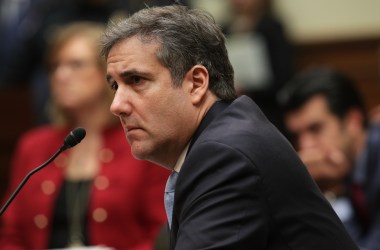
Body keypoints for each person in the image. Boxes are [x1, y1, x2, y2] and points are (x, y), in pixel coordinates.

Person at [101, 5, 358, 249]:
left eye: (136, 80)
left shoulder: (225, 155)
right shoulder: (227, 135)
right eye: (115, 86)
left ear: (197, 83)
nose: (117, 105)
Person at [0, 21, 170, 249]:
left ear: (107, 73)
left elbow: (162, 233)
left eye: (76, 64)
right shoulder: (33, 145)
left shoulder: (143, 140)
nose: (60, 75)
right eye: (54, 66)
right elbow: (10, 234)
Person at [278, 67, 380, 250]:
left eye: (316, 129)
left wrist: (311, 191)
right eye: (296, 135)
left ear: (353, 121)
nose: (305, 146)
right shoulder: (348, 168)